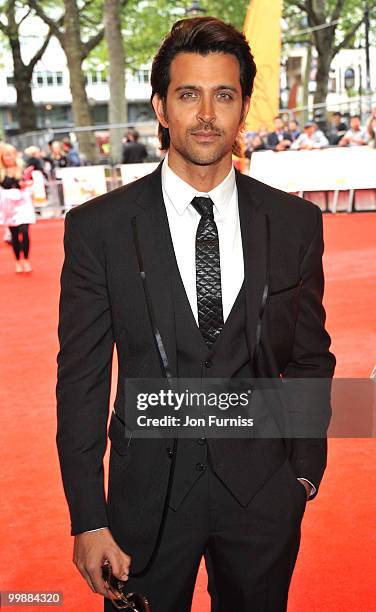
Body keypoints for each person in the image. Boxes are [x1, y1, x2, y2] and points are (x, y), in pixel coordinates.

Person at [57, 17, 335, 612]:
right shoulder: (99, 230)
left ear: (242, 108)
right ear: (160, 106)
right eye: (189, 94)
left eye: (224, 95)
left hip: (264, 499)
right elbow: (80, 382)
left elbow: (312, 356)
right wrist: (86, 515)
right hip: (142, 507)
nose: (206, 113)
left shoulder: (294, 224)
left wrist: (304, 471)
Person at [0, 144, 36, 273]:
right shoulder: (1, 171)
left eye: (11, 155)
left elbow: (31, 181)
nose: (9, 158)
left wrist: (26, 184)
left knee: (24, 231)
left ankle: (26, 259)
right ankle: (17, 261)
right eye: (6, 155)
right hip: (9, 205)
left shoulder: (22, 169)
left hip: (23, 204)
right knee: (14, 235)